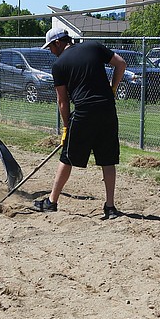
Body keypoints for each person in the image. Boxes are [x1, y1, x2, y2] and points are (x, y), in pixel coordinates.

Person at [33, 28, 127, 219]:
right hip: (107, 109)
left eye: (50, 47)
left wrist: (67, 126)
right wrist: (112, 89)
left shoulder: (59, 64)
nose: (51, 51)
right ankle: (110, 207)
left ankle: (51, 202)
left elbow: (63, 101)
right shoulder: (93, 46)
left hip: (84, 112)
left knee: (67, 157)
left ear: (58, 43)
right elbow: (121, 64)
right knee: (108, 160)